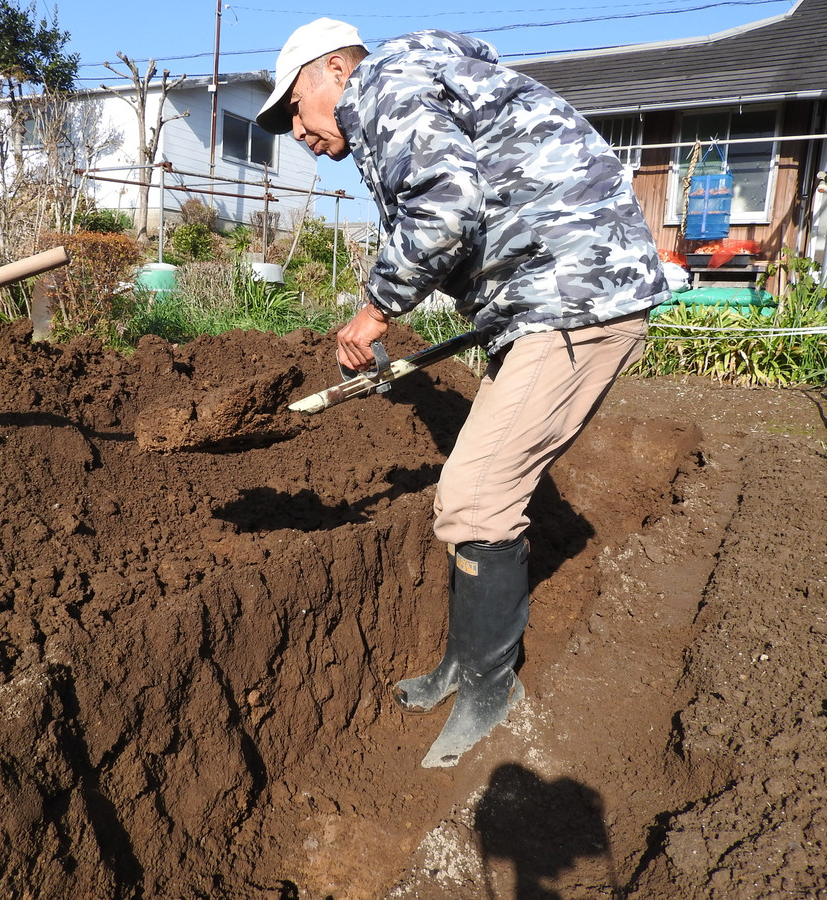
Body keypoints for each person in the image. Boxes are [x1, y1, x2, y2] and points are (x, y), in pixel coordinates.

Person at [258, 19, 670, 768]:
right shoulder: (416, 86)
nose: (297, 131)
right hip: (549, 299)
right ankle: (463, 661)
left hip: (573, 300)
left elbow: (445, 208)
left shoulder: (384, 89)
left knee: (476, 495)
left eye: (293, 107)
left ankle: (491, 688)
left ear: (334, 71)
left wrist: (374, 310)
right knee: (474, 490)